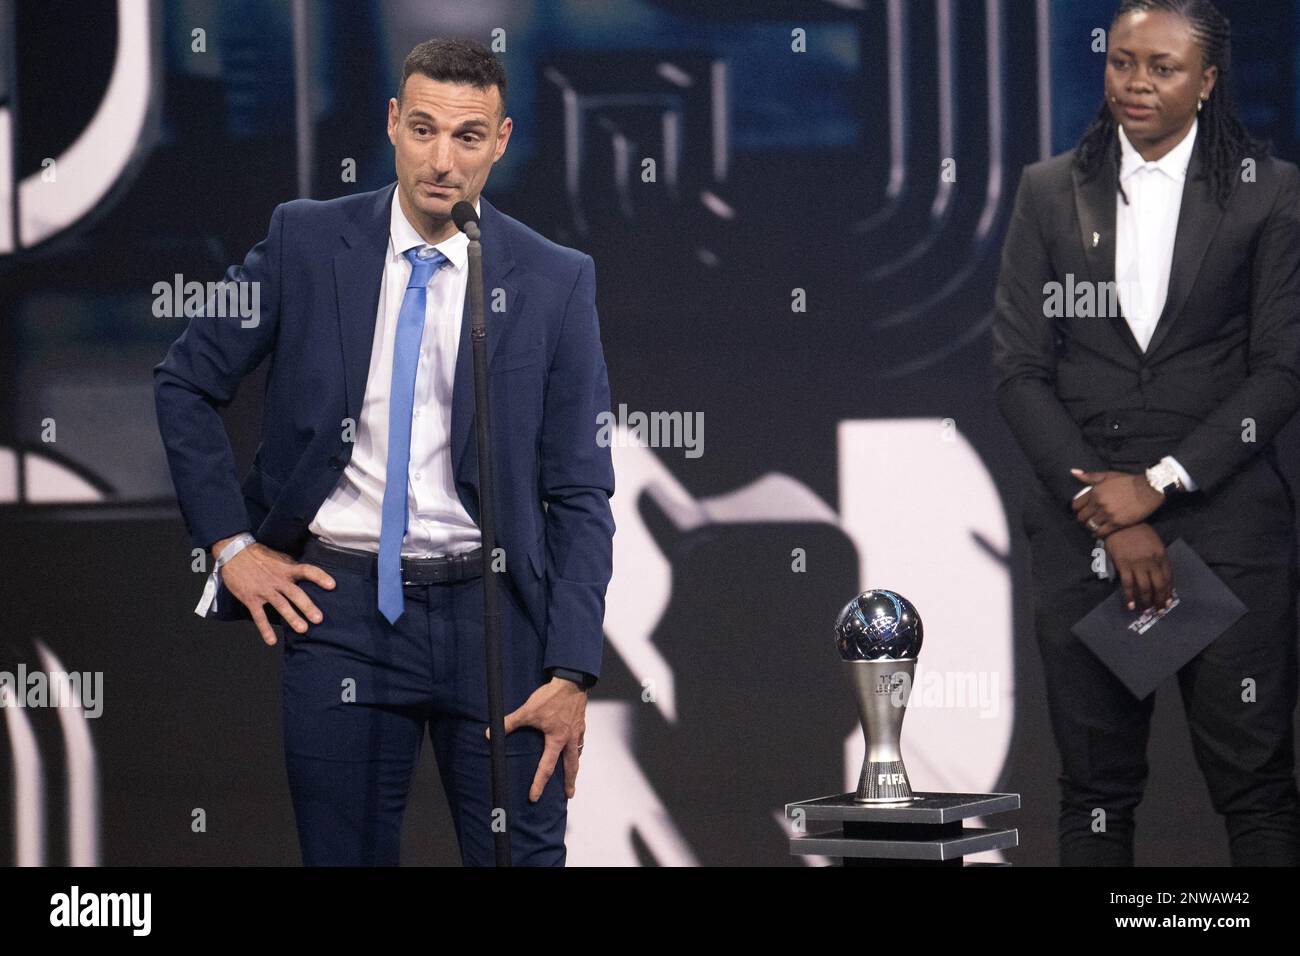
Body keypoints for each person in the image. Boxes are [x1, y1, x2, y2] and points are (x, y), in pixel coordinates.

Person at [153, 37, 615, 866]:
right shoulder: (304, 240)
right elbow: (185, 381)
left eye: (468, 138)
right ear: (394, 123)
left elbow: (581, 491)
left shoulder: (554, 279)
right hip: (346, 609)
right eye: (425, 129)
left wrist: (574, 671)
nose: (443, 160)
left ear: (501, 141)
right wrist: (230, 547)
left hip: (496, 623)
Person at [993, 0, 1300, 865]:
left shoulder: (1270, 193)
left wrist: (1160, 484)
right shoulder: (1048, 191)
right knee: (1094, 794)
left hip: (1226, 527)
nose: (1136, 82)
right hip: (1085, 527)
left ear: (1206, 83)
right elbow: (1018, 371)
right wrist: (1113, 510)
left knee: (1260, 789)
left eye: (1162, 67)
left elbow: (1281, 369)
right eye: (1122, 61)